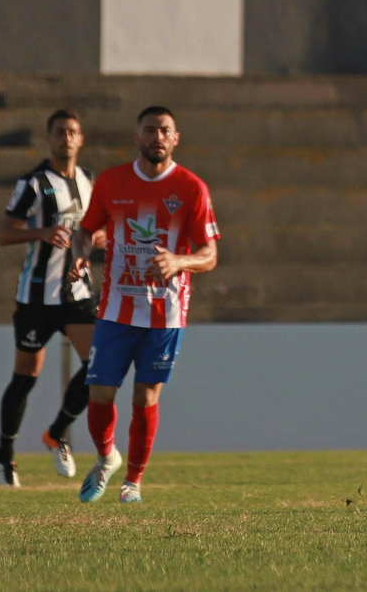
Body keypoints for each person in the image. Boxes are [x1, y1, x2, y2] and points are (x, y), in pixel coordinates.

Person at [69, 106, 219, 504]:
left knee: (145, 398)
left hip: (165, 313)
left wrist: (179, 261)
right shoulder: (111, 181)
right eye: (149, 130)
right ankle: (106, 458)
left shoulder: (192, 188)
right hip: (116, 308)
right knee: (99, 395)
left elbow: (209, 254)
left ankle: (133, 482)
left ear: (175, 138)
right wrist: (80, 255)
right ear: (137, 137)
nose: (157, 137)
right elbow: (86, 231)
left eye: (164, 130)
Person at [0, 109, 102, 487]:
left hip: (77, 292)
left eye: (72, 132)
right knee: (25, 377)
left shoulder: (89, 181)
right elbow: (5, 233)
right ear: (49, 138)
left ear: (81, 139)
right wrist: (40, 233)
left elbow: (99, 231)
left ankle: (56, 434)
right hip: (37, 296)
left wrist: (97, 239)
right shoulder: (34, 184)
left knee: (100, 365)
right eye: (59, 132)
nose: (66, 138)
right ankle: (4, 455)